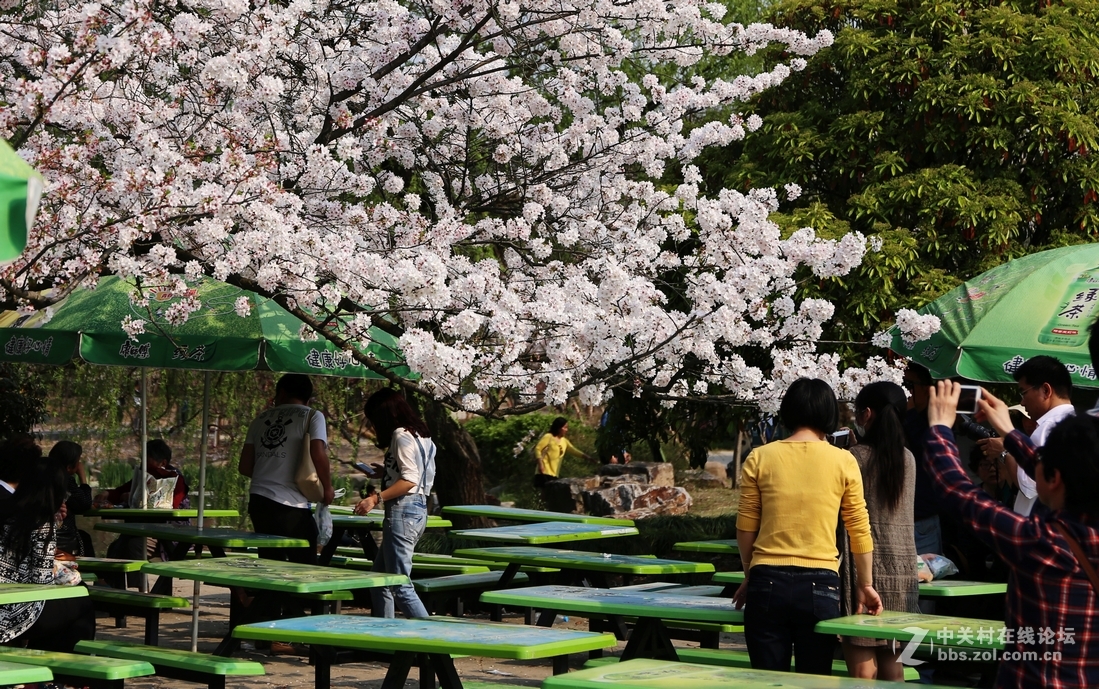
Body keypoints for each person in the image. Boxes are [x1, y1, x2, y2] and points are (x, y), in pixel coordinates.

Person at [925, 381, 1099, 686]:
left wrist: (940, 427)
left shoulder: (1041, 542)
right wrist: (1008, 430)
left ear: (1054, 477)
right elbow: (1051, 470)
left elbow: (956, 490)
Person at [734, 378, 883, 675]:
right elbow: (859, 528)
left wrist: (751, 573)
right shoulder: (844, 461)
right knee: (814, 679)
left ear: (788, 410)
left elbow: (745, 526)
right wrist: (865, 584)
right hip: (821, 585)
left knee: (765, 681)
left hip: (766, 582)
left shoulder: (760, 457)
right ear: (829, 414)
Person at [838, 381, 919, 680]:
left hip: (864, 571)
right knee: (893, 669)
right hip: (902, 571)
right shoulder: (908, 459)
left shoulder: (855, 458)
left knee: (862, 674)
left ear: (866, 414)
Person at [0, 438, 95, 652]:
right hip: (10, 616)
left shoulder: (9, 513)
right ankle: (71, 673)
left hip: (6, 600)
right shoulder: (40, 522)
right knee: (81, 598)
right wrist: (71, 576)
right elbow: (41, 581)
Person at [352, 388, 436, 618]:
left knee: (400, 584)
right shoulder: (422, 434)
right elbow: (420, 475)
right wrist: (386, 472)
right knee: (379, 579)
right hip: (418, 509)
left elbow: (410, 480)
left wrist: (375, 498)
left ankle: (432, 641)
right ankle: (385, 638)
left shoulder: (400, 435)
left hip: (403, 510)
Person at [240, 374, 334, 564]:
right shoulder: (312, 416)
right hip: (291, 504)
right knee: (304, 565)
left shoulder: (261, 418)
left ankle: (268, 595)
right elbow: (318, 453)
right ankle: (297, 595)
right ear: (308, 397)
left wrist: (270, 473)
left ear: (281, 393)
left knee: (270, 563)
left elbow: (244, 466)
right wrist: (328, 487)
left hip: (258, 501)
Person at [979, 355, 1075, 516]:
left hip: (1040, 529)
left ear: (1046, 390)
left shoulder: (1048, 427)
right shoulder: (1077, 422)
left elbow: (1029, 485)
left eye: (1023, 393)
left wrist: (1005, 451)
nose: (1022, 402)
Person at [902, 363, 942, 557]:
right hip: (899, 519)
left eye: (909, 384)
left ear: (926, 390)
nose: (904, 390)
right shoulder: (899, 420)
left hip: (923, 517)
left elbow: (926, 449)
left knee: (928, 581)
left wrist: (909, 414)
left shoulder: (937, 421)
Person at [49, 441, 94, 556]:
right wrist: (83, 478)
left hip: (50, 534)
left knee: (85, 536)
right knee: (84, 539)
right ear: (69, 467)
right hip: (62, 537)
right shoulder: (64, 480)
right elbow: (84, 504)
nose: (80, 464)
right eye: (78, 461)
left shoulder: (43, 475)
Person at [533, 417, 595, 487]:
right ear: (559, 428)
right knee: (545, 493)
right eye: (565, 427)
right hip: (544, 471)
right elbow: (538, 449)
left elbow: (574, 450)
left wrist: (587, 457)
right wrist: (540, 464)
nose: (566, 430)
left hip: (554, 473)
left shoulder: (564, 441)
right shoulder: (548, 437)